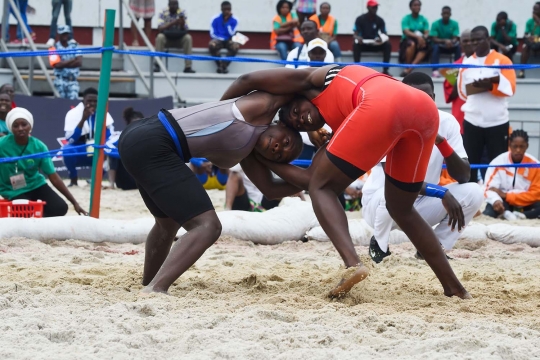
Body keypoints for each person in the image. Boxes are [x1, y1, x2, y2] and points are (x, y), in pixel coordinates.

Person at [221, 65, 471, 300]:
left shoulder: (310, 80)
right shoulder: (344, 122)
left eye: (297, 112)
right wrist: (261, 155)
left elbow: (247, 80)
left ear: (295, 96)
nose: (302, 120)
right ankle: (454, 288)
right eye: (297, 124)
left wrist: (220, 115)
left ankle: (353, 265)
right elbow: (293, 184)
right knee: (401, 208)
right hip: (424, 112)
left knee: (322, 187)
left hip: (383, 103)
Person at [118, 92, 305, 295]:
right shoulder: (259, 110)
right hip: (157, 141)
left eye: (279, 156)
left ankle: (149, 282)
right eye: (285, 142)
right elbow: (250, 81)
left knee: (167, 223)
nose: (278, 148)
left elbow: (269, 189)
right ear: (282, 124)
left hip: (142, 138)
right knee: (209, 226)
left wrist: (311, 182)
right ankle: (156, 288)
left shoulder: (248, 150)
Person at [362, 72, 482, 263]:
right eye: (412, 97)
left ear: (433, 99)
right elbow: (394, 182)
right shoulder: (388, 119)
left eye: (424, 98)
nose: (418, 103)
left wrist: (441, 142)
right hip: (380, 205)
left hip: (420, 204)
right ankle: (380, 247)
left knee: (474, 192)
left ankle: (433, 248)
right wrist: (441, 192)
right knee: (390, 194)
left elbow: (464, 175)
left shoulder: (447, 122)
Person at [0, 108, 87, 217]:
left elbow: (53, 177)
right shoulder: (2, 144)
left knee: (60, 208)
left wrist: (74, 202)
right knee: (25, 211)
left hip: (35, 184)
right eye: (16, 126)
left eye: (24, 124)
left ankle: (37, 223)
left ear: (30, 126)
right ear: (11, 129)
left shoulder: (39, 146)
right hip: (11, 189)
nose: (20, 128)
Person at [457, 26, 516, 184]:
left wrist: (491, 86)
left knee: (498, 164)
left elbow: (511, 88)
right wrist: (479, 87)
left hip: (497, 121)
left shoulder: (503, 60)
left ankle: (495, 201)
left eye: (479, 39)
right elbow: (462, 93)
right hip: (472, 121)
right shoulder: (467, 63)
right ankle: (472, 203)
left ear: (489, 39)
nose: (475, 43)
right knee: (471, 163)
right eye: (472, 40)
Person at [63, 87, 115, 187]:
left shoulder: (104, 113)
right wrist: (83, 119)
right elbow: (70, 139)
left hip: (97, 147)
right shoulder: (73, 113)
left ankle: (95, 180)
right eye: (89, 101)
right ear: (83, 100)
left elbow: (109, 137)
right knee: (66, 150)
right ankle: (73, 180)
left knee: (110, 151)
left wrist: (104, 146)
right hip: (80, 147)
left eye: (95, 101)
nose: (92, 104)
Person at [484, 130, 540, 220]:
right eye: (515, 146)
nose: (518, 150)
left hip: (526, 203)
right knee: (489, 212)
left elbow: (537, 194)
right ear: (509, 145)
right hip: (504, 202)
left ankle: (522, 215)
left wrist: (506, 195)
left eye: (522, 147)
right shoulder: (498, 162)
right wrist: (496, 200)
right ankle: (509, 213)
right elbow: (489, 188)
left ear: (527, 146)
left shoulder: (535, 165)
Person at [443, 29, 474, 134]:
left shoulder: (485, 64)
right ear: (461, 44)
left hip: (480, 117)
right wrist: (460, 77)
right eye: (465, 41)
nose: (468, 43)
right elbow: (450, 95)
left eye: (471, 40)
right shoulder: (455, 66)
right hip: (460, 116)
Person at [105, 107, 143, 190]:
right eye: (133, 124)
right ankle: (111, 184)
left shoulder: (148, 137)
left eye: (139, 124)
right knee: (113, 155)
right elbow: (108, 147)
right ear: (128, 124)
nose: (136, 127)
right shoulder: (120, 137)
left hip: (144, 182)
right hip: (126, 181)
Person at [155, 0, 195, 73]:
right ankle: (157, 65)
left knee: (188, 38)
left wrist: (182, 24)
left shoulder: (182, 12)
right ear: (168, 5)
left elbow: (186, 29)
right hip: (167, 39)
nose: (174, 6)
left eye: (176, 4)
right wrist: (173, 23)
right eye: (172, 4)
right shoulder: (162, 11)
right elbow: (160, 28)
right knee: (160, 37)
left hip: (179, 39)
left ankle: (188, 67)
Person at [352, 0, 391, 75]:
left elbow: (384, 34)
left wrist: (382, 39)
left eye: (376, 7)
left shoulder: (380, 20)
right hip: (363, 44)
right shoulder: (360, 19)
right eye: (373, 7)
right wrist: (358, 38)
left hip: (375, 44)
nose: (375, 9)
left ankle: (385, 70)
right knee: (355, 45)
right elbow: (355, 34)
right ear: (368, 7)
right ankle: (356, 69)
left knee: (387, 45)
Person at [399, 0, 430, 77]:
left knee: (425, 46)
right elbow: (406, 31)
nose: (417, 7)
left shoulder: (424, 19)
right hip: (408, 40)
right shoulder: (406, 18)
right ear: (410, 7)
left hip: (420, 41)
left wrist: (422, 39)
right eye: (415, 5)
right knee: (411, 44)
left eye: (418, 5)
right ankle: (407, 66)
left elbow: (426, 33)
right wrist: (418, 38)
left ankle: (408, 70)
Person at [430, 6, 461, 78]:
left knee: (458, 47)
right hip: (440, 46)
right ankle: (435, 71)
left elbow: (455, 37)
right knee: (435, 47)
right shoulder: (435, 23)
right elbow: (434, 38)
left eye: (447, 13)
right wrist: (445, 41)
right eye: (444, 13)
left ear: (450, 14)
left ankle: (457, 69)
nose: (446, 15)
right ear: (441, 14)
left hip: (450, 45)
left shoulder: (455, 23)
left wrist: (451, 42)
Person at [209, 1, 239, 74]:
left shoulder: (235, 20)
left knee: (235, 45)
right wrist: (221, 38)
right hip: (218, 40)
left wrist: (227, 22)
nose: (227, 11)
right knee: (212, 45)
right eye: (225, 9)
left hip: (229, 40)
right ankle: (220, 65)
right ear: (221, 9)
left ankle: (223, 66)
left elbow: (232, 33)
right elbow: (212, 34)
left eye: (229, 9)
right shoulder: (215, 19)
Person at [52, 26, 82, 100]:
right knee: (60, 104)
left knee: (73, 104)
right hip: (60, 81)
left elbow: (79, 62)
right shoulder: (53, 48)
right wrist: (72, 60)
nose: (65, 36)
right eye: (63, 34)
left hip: (73, 80)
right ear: (59, 34)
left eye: (66, 34)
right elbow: (56, 65)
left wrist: (63, 63)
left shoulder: (74, 46)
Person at [518, 2, 540, 79]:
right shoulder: (530, 22)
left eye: (536, 10)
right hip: (533, 42)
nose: (534, 11)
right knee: (525, 48)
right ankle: (522, 71)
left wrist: (538, 21)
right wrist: (529, 37)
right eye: (533, 9)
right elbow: (526, 34)